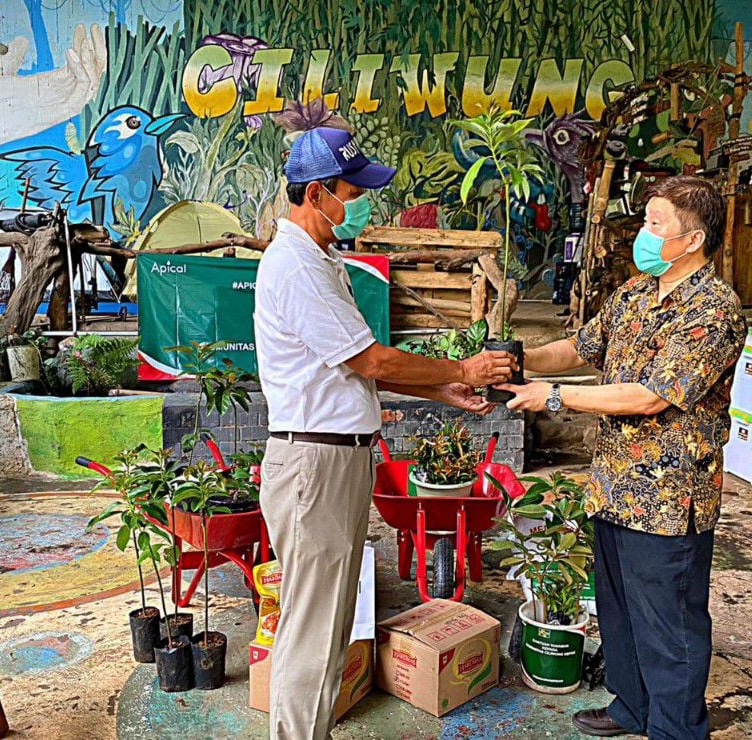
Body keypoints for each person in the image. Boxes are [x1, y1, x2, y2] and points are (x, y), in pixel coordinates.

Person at [254, 126, 516, 740]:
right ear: (316, 193)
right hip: (313, 467)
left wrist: (439, 389)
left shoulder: (322, 259)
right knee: (313, 629)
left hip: (335, 460)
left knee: (331, 620)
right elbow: (370, 361)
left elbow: (351, 370)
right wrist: (464, 368)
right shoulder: (295, 265)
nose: (363, 202)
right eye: (353, 190)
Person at [497, 176, 746, 739]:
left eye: (657, 224)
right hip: (612, 487)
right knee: (618, 613)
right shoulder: (636, 294)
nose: (644, 233)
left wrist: (552, 396)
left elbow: (650, 394)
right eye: (646, 221)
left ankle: (676, 730)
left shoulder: (714, 310)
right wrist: (517, 359)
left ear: (692, 239)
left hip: (666, 498)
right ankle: (632, 709)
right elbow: (581, 346)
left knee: (670, 627)